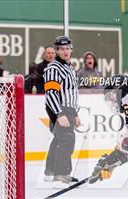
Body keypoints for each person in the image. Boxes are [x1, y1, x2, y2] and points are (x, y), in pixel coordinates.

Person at [43, 35, 81, 186]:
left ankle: (50, 171)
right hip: (59, 108)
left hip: (68, 109)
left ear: (71, 49)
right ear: (57, 50)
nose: (65, 51)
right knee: (67, 140)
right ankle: (61, 174)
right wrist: (59, 113)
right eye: (61, 49)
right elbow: (51, 93)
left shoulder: (69, 67)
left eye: (67, 48)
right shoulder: (54, 67)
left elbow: (71, 92)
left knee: (59, 139)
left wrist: (75, 113)